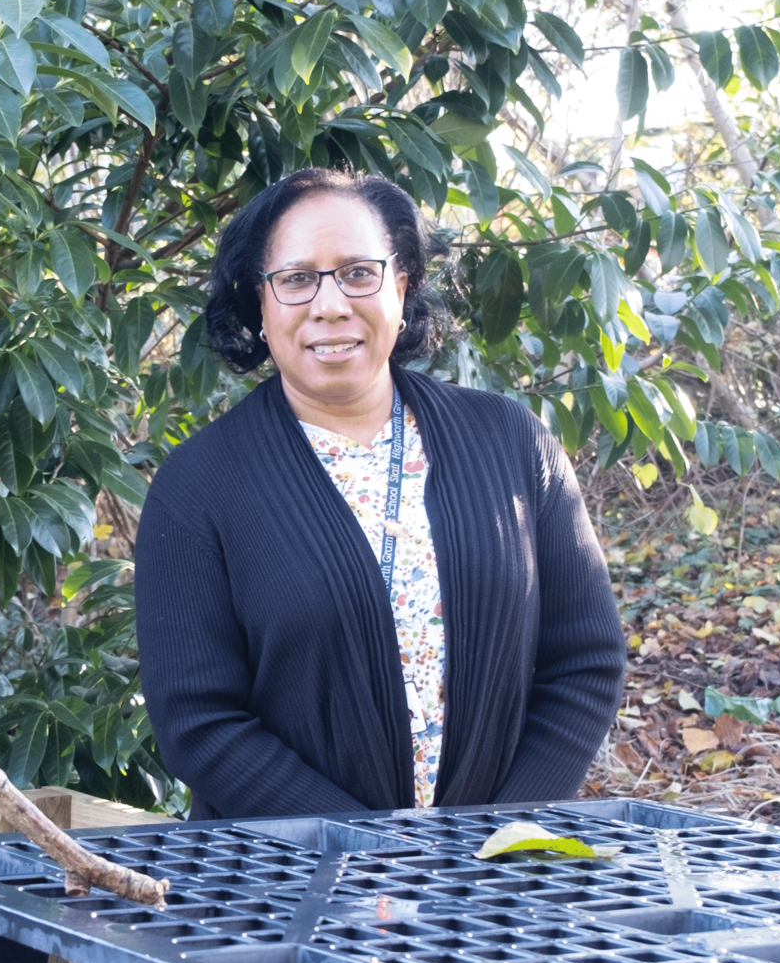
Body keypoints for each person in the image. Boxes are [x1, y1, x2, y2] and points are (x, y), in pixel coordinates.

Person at [135, 168, 626, 820]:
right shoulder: (196, 488)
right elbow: (199, 724)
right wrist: (368, 854)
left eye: (359, 273)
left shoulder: (512, 444)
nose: (331, 305)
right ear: (259, 300)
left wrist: (502, 836)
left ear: (402, 284)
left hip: (492, 883)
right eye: (297, 278)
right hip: (284, 891)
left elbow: (584, 661)